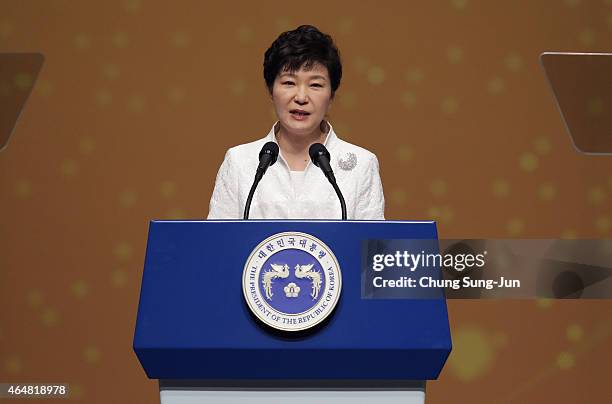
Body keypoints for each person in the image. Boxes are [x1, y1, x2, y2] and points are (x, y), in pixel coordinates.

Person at [207, 25, 385, 220]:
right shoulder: (239, 161)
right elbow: (218, 243)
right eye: (289, 83)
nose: (301, 97)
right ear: (271, 90)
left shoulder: (361, 164)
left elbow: (369, 246)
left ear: (331, 94)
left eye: (315, 85)